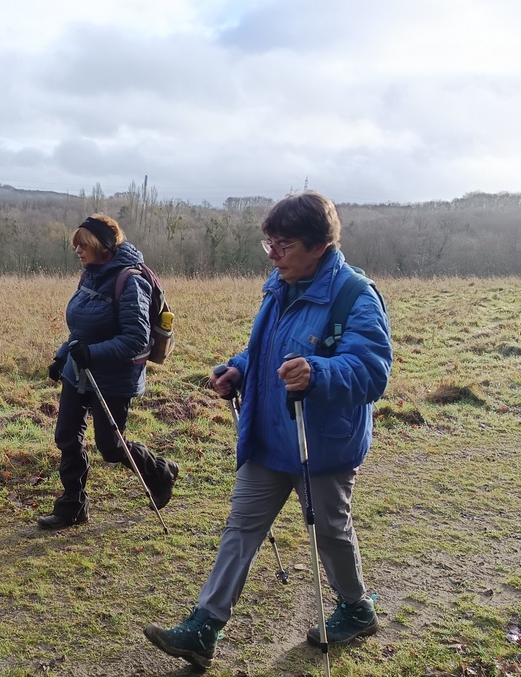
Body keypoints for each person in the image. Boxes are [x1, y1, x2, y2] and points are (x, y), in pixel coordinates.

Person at [143, 192, 393, 670]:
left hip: (320, 443)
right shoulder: (280, 284)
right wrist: (238, 368)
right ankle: (204, 627)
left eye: (285, 244)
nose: (273, 254)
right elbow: (265, 349)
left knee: (330, 532)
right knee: (241, 528)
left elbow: (372, 372)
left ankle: (356, 607)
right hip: (268, 435)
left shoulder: (355, 296)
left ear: (320, 246)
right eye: (269, 243)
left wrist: (318, 373)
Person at [39, 214, 180, 529]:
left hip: (114, 377)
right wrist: (63, 357)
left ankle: (160, 471)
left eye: (83, 244)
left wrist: (92, 353)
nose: (78, 250)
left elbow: (136, 339)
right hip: (79, 371)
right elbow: (80, 328)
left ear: (102, 245)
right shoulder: (89, 275)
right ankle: (72, 507)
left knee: (111, 445)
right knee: (67, 438)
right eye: (76, 245)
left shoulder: (130, 281)